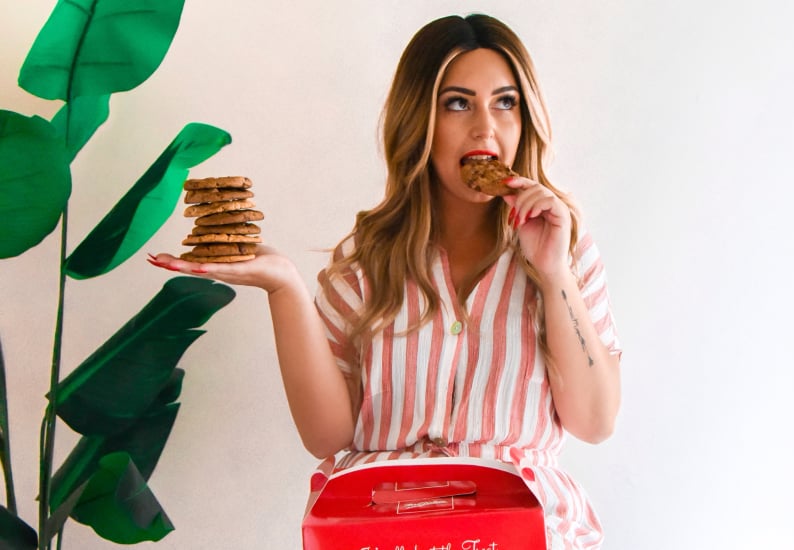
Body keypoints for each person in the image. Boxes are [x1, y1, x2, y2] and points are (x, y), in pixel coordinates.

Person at [149, 14, 622, 548]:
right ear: (420, 119)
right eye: (458, 103)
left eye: (505, 103)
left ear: (525, 120)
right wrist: (284, 288)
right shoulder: (365, 264)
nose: (486, 127)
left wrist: (553, 270)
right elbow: (327, 436)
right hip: (383, 527)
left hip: (519, 529)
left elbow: (595, 421)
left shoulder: (566, 249)